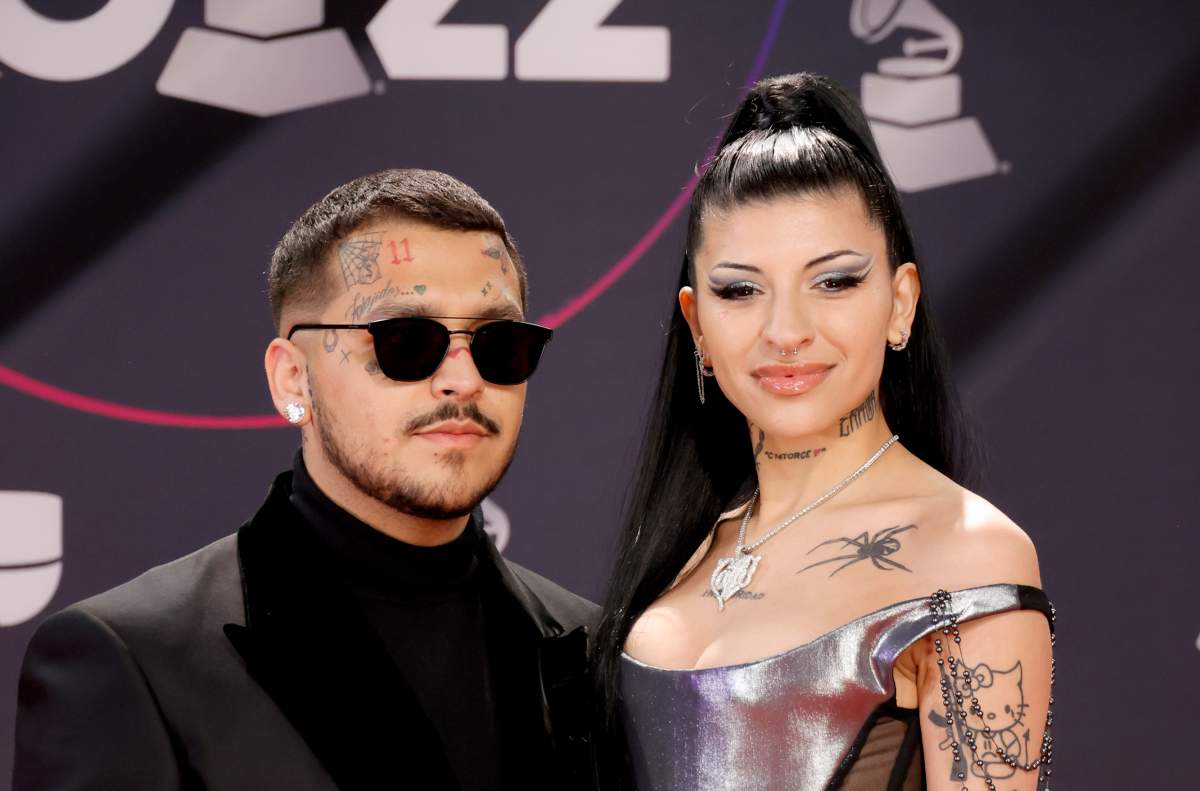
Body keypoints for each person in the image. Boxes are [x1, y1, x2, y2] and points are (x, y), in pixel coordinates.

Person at [14, 169, 598, 791]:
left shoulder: (598, 651)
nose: (463, 380)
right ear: (292, 379)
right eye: (405, 341)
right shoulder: (137, 658)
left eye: (499, 343)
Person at [592, 74, 1055, 790]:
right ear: (697, 326)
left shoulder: (968, 555)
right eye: (740, 290)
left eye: (833, 281)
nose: (786, 331)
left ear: (900, 303)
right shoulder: (682, 551)